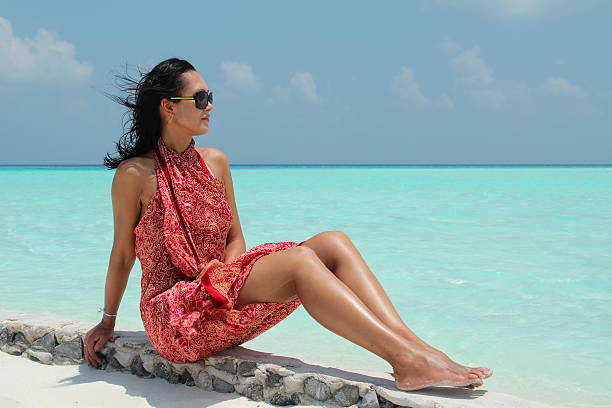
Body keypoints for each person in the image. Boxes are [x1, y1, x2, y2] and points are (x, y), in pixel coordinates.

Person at [83, 58, 492, 391]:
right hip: (174, 315)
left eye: (211, 96)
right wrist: (108, 321)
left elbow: (235, 236)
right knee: (298, 262)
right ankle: (404, 361)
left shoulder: (216, 161)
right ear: (169, 107)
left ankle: (418, 348)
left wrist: (225, 272)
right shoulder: (135, 175)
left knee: (333, 241)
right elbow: (123, 254)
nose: (210, 105)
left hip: (217, 290)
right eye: (201, 97)